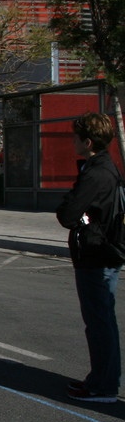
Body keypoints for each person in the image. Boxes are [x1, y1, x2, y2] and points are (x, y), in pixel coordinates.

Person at [56, 112, 123, 403]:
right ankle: (102, 380)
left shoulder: (96, 173)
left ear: (88, 141)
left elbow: (68, 214)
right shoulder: (104, 167)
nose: (72, 142)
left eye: (75, 137)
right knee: (101, 320)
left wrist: (78, 215)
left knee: (99, 322)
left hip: (96, 255)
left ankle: (103, 385)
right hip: (101, 252)